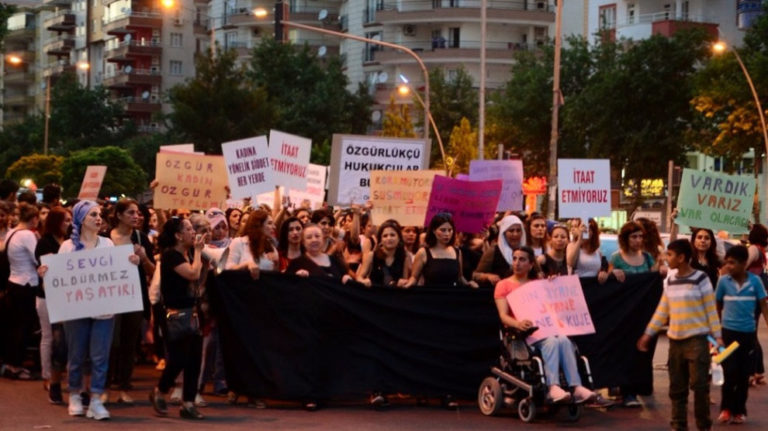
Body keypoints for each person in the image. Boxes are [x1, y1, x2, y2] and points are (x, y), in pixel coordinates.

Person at [46, 200, 140, 420]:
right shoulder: (67, 247)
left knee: (100, 356)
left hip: (104, 310)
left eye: (99, 215)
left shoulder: (107, 244)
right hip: (76, 310)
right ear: (80, 220)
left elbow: (116, 271)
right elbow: (59, 277)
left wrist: (130, 262)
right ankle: (76, 395)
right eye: (92, 215)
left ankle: (96, 399)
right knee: (76, 355)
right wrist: (47, 273)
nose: (98, 219)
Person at [638, 239, 722, 431]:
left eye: (670, 255)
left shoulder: (701, 279)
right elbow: (662, 309)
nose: (667, 259)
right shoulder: (670, 280)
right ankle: (678, 425)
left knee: (700, 387)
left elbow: (711, 309)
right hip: (675, 341)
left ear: (682, 257)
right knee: (677, 389)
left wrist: (717, 336)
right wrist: (648, 333)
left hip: (697, 340)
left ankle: (703, 425)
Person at [494, 246, 597, 403]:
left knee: (563, 339)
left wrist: (552, 284)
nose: (517, 263)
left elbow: (552, 306)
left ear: (530, 264)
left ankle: (576, 387)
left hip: (544, 328)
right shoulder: (503, 285)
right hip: (521, 333)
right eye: (514, 259)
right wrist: (518, 323)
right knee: (552, 342)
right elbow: (503, 315)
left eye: (522, 260)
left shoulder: (537, 283)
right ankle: (552, 387)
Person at [150, 218, 207, 420]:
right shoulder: (171, 256)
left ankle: (188, 404)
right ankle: (160, 390)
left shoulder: (189, 253)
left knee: (194, 359)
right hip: (175, 314)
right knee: (178, 359)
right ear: (177, 235)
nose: (193, 233)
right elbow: (192, 273)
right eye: (189, 229)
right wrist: (199, 252)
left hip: (193, 312)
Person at [108, 199, 155, 405]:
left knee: (129, 341)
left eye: (137, 213)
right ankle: (108, 380)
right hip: (109, 295)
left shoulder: (140, 238)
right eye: (130, 213)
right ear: (118, 215)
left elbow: (153, 271)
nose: (136, 216)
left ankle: (124, 383)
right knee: (111, 339)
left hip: (134, 295)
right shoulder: (105, 238)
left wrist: (144, 258)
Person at [714, 245, 768, 424]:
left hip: (748, 336)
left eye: (732, 263)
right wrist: (716, 330)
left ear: (744, 264)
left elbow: (763, 305)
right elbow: (717, 305)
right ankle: (726, 409)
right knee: (729, 372)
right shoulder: (723, 282)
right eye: (726, 262)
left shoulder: (755, 282)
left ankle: (739, 410)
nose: (728, 266)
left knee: (744, 375)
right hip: (728, 335)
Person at [609, 220, 659, 407]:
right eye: (634, 236)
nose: (638, 240)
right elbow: (608, 281)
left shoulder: (647, 258)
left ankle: (640, 385)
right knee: (626, 351)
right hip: (624, 314)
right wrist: (614, 275)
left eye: (640, 236)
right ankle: (627, 391)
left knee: (643, 351)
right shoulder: (617, 258)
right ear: (625, 239)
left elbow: (654, 280)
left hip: (644, 313)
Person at [34, 206, 71, 404]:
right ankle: (47, 375)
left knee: (60, 338)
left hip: (64, 296)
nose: (69, 224)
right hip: (46, 297)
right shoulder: (44, 242)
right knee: (49, 336)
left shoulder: (68, 242)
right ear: (56, 222)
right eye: (65, 220)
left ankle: (55, 374)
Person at [2, 202, 40, 381]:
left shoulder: (12, 232)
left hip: (13, 282)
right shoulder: (27, 235)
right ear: (34, 218)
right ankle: (16, 366)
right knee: (24, 328)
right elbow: (37, 258)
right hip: (27, 284)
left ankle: (11, 363)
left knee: (13, 326)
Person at [404, 213, 478, 289]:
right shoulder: (423, 252)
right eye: (443, 230)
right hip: (431, 296)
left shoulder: (457, 252)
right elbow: (414, 277)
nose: (447, 234)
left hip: (452, 297)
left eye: (450, 230)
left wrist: (469, 284)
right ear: (434, 231)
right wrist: (406, 285)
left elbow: (460, 277)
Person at [473, 214, 526, 287]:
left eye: (518, 230)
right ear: (504, 233)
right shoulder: (494, 251)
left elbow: (538, 272)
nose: (515, 234)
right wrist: (487, 276)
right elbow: (475, 275)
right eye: (511, 231)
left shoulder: (526, 251)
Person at [286, 224, 351, 283]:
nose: (314, 240)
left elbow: (343, 278)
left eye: (317, 236)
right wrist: (296, 277)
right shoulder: (297, 264)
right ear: (303, 242)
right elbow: (287, 286)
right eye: (309, 237)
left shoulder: (335, 261)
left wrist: (347, 279)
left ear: (322, 239)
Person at [356, 219, 411, 288]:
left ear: (399, 238)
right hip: (374, 295)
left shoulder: (403, 257)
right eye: (385, 236)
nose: (389, 238)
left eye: (392, 235)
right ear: (380, 240)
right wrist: (363, 281)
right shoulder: (372, 255)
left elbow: (404, 281)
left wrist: (402, 283)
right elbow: (359, 277)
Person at [745, 223, 768, 386]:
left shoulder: (753, 249)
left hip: (750, 294)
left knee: (748, 334)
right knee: (752, 334)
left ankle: (752, 372)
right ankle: (758, 371)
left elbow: (742, 266)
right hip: (758, 296)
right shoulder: (762, 251)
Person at [226, 209, 278, 278]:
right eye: (269, 223)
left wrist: (276, 264)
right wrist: (245, 265)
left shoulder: (272, 248)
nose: (274, 227)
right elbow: (228, 269)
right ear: (258, 225)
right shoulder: (239, 243)